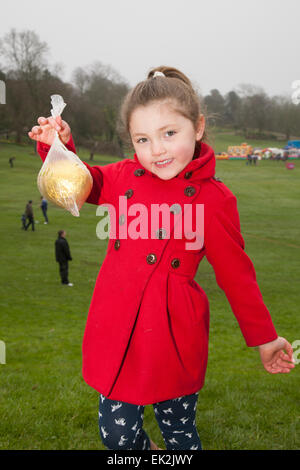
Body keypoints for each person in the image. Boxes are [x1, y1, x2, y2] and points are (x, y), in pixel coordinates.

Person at [28, 66, 295, 451]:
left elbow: (237, 277)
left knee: (181, 436)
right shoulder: (122, 176)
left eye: (169, 133)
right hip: (117, 324)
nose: (157, 150)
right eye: (142, 138)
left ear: (198, 127)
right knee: (118, 438)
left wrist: (265, 339)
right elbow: (80, 184)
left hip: (174, 334)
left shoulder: (214, 199)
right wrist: (58, 146)